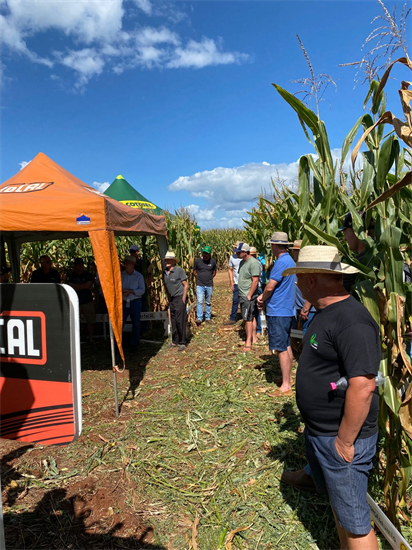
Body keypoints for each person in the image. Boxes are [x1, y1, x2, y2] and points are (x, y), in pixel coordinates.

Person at [282, 245, 380, 550]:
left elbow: (363, 386)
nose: (297, 284)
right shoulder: (326, 312)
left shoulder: (352, 322)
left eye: (300, 278)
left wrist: (345, 442)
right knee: (342, 510)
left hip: (341, 439)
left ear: (312, 281)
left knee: (355, 525)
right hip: (321, 432)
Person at [257, 232, 296, 396]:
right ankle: (289, 379)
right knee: (286, 344)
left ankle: (285, 386)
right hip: (287, 309)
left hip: (279, 309)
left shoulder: (281, 262)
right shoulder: (290, 260)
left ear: (274, 245)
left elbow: (270, 286)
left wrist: (261, 298)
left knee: (280, 348)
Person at [236, 243, 261, 351]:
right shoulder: (242, 262)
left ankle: (248, 343)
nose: (237, 253)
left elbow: (255, 281)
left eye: (239, 252)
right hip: (243, 294)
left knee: (247, 319)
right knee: (251, 317)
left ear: (245, 252)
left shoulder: (254, 263)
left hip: (247, 296)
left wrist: (249, 295)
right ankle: (253, 338)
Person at [163, 251, 188, 351]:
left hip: (179, 297)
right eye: (166, 260)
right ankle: (175, 341)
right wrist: (167, 297)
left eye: (169, 260)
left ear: (174, 261)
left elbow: (186, 285)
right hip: (172, 299)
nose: (167, 262)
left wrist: (183, 299)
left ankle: (182, 342)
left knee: (180, 320)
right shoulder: (165, 272)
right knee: (173, 320)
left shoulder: (179, 271)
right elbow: (166, 286)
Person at [289, 240, 316, 334]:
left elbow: (313, 289)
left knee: (308, 335)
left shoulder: (308, 268)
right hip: (303, 310)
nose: (293, 253)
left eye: (295, 250)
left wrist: (306, 308)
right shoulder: (300, 267)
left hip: (309, 311)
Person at [67, 258, 95, 344]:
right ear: (75, 266)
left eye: (82, 264)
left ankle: (91, 339)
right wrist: (84, 286)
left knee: (91, 321)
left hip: (87, 301)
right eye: (78, 265)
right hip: (75, 302)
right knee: (75, 321)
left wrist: (76, 286)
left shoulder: (88, 274)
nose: (80, 266)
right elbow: (70, 287)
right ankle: (76, 340)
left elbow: (88, 285)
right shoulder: (72, 275)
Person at [121, 255, 145, 350]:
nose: (126, 266)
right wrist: (122, 292)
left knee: (136, 324)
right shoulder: (121, 275)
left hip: (135, 302)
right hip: (123, 302)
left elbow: (142, 290)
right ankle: (118, 344)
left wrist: (131, 291)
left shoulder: (139, 276)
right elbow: (116, 288)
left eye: (128, 264)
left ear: (133, 265)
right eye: (125, 264)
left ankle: (134, 344)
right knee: (120, 323)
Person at [194, 245, 217, 325]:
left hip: (209, 285)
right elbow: (194, 271)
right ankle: (199, 318)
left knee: (208, 302)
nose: (205, 255)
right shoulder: (197, 261)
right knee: (200, 301)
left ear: (209, 254)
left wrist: (209, 278)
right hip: (200, 284)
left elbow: (214, 272)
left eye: (207, 253)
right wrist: (198, 277)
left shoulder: (212, 261)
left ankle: (208, 318)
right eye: (204, 253)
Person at [224, 242, 242, 326]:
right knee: (235, 300)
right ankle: (232, 318)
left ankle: (246, 317)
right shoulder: (232, 257)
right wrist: (231, 282)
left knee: (245, 301)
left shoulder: (244, 257)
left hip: (245, 283)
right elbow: (230, 270)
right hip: (236, 283)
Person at [250, 246, 266, 336]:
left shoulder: (257, 264)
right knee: (254, 310)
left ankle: (259, 330)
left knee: (258, 309)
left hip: (258, 288)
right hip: (256, 287)